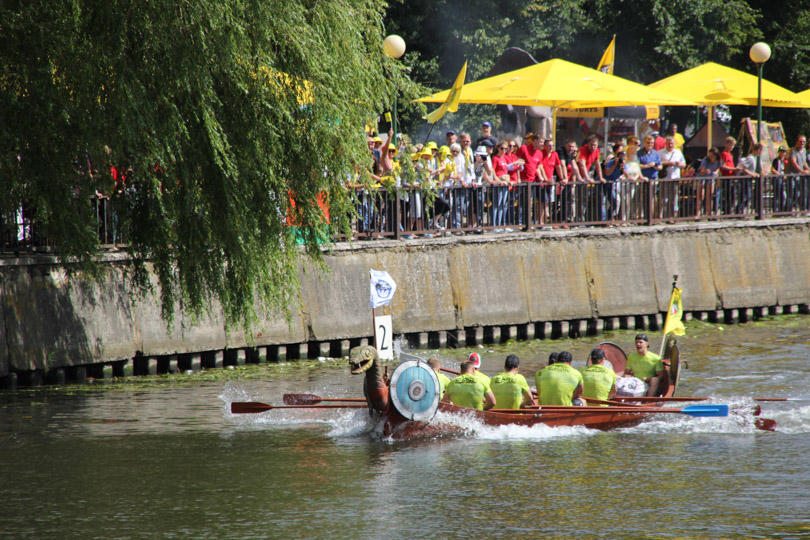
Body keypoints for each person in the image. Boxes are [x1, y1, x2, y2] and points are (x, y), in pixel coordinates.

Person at [577, 135, 605, 222]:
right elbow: (582, 165)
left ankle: (582, 219)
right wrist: (587, 178)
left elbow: (597, 165)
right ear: (588, 144)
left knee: (585, 198)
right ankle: (578, 220)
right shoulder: (582, 150)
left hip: (585, 177)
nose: (593, 147)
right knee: (578, 199)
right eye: (591, 145)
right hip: (577, 176)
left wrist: (601, 177)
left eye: (595, 145)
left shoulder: (596, 151)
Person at [658, 136, 686, 219]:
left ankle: (672, 216)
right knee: (663, 197)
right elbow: (658, 163)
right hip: (665, 178)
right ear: (666, 144)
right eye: (668, 143)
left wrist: (678, 164)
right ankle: (661, 216)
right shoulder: (661, 152)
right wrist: (667, 163)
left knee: (674, 197)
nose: (670, 145)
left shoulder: (678, 152)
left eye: (671, 143)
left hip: (675, 178)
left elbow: (683, 164)